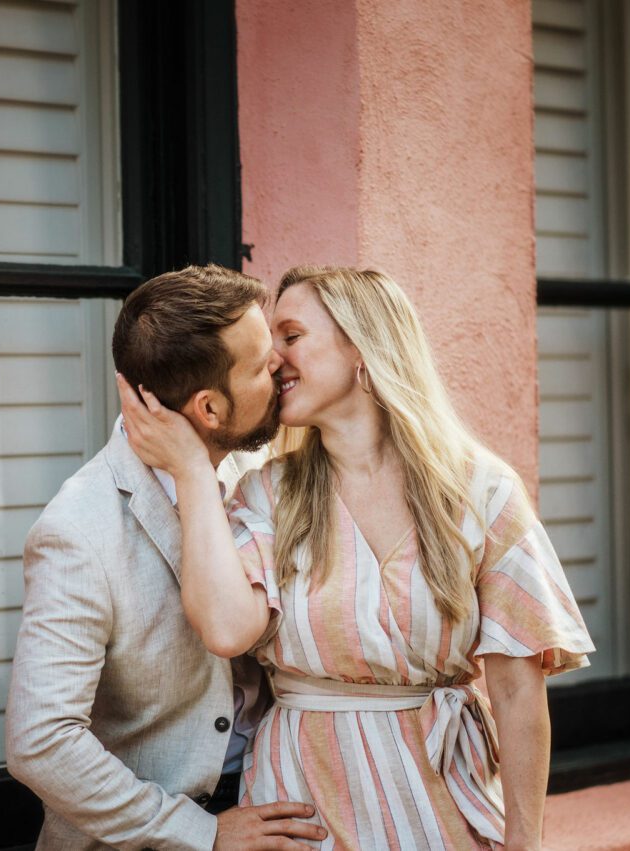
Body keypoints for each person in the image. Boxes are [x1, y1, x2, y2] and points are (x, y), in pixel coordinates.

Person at [118, 266, 595, 850]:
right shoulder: (269, 493)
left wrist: (526, 843)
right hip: (304, 807)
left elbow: (519, 692)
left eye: (291, 336)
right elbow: (224, 627)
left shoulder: (482, 493)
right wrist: (191, 468)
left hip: (442, 800)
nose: (274, 360)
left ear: (363, 344)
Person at [6, 265, 327, 850]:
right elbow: (41, 741)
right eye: (260, 365)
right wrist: (200, 834)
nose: (281, 364)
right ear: (209, 409)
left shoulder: (259, 477)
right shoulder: (78, 531)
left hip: (277, 802)